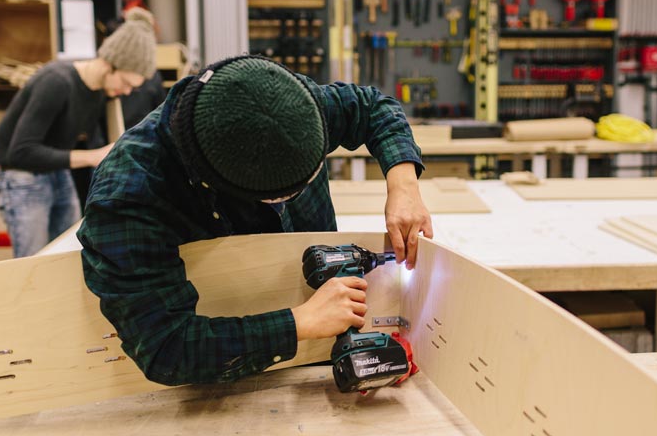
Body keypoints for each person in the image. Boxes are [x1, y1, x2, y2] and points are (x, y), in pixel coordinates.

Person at [78, 55, 433, 386]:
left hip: (315, 354)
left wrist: (403, 185)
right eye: (284, 196)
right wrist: (297, 324)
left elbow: (371, 107)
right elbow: (165, 347)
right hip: (222, 383)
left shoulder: (279, 98)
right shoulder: (128, 198)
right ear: (223, 186)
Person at [0, 8, 157, 258]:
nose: (126, 92)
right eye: (126, 83)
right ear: (110, 65)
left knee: (68, 254)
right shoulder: (56, 82)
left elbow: (102, 141)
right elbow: (19, 152)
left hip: (56, 170)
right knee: (30, 264)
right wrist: (90, 157)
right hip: (22, 174)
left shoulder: (100, 91)